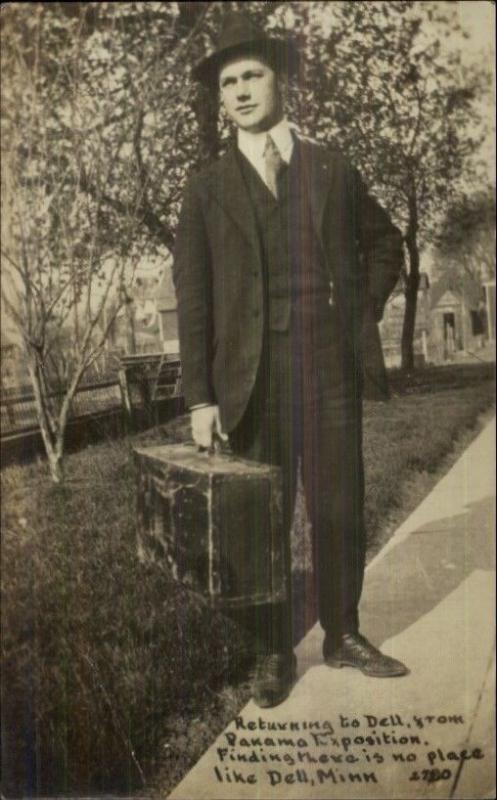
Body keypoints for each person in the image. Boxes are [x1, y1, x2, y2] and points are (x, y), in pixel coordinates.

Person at [172, 12, 408, 709]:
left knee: (338, 507)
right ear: (220, 102)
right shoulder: (204, 186)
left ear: (282, 81)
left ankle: (342, 634)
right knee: (260, 521)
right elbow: (193, 300)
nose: (240, 91)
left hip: (329, 371)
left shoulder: (331, 166)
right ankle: (271, 652)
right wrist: (199, 399)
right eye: (228, 84)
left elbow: (386, 242)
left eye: (252, 76)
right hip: (250, 382)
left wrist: (356, 311)